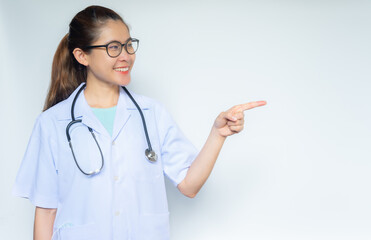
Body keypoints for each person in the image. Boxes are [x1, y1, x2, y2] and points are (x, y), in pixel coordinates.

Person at [12, 5, 266, 240]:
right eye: (113, 47)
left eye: (128, 45)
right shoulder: (52, 122)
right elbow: (46, 211)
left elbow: (189, 186)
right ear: (82, 56)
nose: (126, 56)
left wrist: (217, 134)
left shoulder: (151, 113)